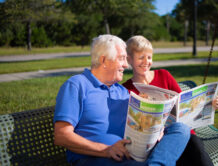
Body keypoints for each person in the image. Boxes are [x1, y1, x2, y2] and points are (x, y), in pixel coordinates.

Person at [53, 34, 191, 166]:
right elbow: (61, 135)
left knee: (181, 129)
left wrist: (156, 129)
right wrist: (106, 150)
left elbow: (138, 124)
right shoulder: (77, 85)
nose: (126, 65)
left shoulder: (121, 91)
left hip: (132, 155)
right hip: (96, 159)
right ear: (104, 60)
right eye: (122, 58)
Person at [123, 35, 218, 166]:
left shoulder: (164, 75)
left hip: (181, 134)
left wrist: (210, 103)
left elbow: (185, 103)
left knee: (194, 146)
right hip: (153, 142)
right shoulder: (127, 89)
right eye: (141, 57)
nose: (146, 62)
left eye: (149, 57)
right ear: (129, 59)